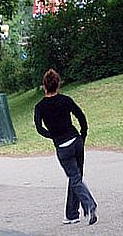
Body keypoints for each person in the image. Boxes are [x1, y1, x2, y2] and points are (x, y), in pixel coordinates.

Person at [34, 69, 98, 225]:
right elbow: (81, 116)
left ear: (44, 86)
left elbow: (39, 128)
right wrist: (83, 135)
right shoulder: (66, 100)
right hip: (76, 142)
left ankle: (90, 205)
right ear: (58, 84)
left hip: (63, 147)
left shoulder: (40, 107)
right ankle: (72, 214)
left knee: (75, 178)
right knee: (76, 178)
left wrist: (53, 135)